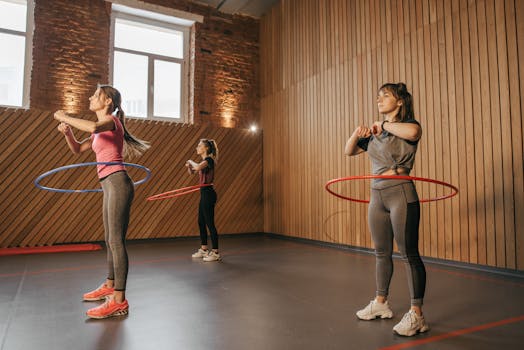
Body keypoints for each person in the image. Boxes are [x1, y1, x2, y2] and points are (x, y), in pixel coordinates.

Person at [54, 85, 149, 319]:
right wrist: (68, 133)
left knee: (116, 241)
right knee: (109, 239)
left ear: (107, 101)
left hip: (118, 182)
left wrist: (64, 115)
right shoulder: (98, 132)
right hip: (107, 184)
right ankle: (109, 284)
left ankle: (119, 299)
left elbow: (95, 125)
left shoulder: (111, 122)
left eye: (94, 95)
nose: (90, 97)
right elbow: (78, 150)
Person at [344, 83, 429, 336]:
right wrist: (356, 133)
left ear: (400, 101)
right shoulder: (374, 134)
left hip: (400, 192)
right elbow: (348, 151)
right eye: (378, 96)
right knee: (381, 253)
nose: (379, 99)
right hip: (376, 195)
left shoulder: (407, 125)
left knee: (409, 254)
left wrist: (383, 125)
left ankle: (417, 315)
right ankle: (381, 303)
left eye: (386, 95)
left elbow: (414, 133)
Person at [186, 139, 220, 262]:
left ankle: (215, 252)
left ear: (205, 148)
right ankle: (204, 249)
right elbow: (192, 172)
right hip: (203, 193)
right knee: (201, 222)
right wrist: (189, 167)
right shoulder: (203, 162)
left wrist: (190, 161)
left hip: (209, 194)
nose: (197, 148)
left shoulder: (209, 160)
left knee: (209, 223)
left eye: (199, 146)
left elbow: (198, 167)